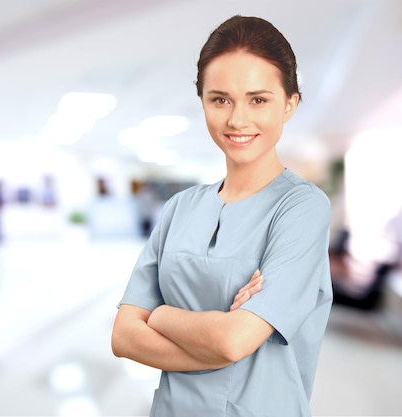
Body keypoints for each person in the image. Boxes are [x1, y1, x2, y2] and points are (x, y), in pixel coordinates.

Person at [111, 15, 333, 416]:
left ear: (289, 105)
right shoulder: (179, 208)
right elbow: (124, 337)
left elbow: (233, 341)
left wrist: (159, 314)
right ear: (203, 103)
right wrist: (214, 336)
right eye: (220, 99)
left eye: (258, 99)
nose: (237, 119)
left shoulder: (302, 208)